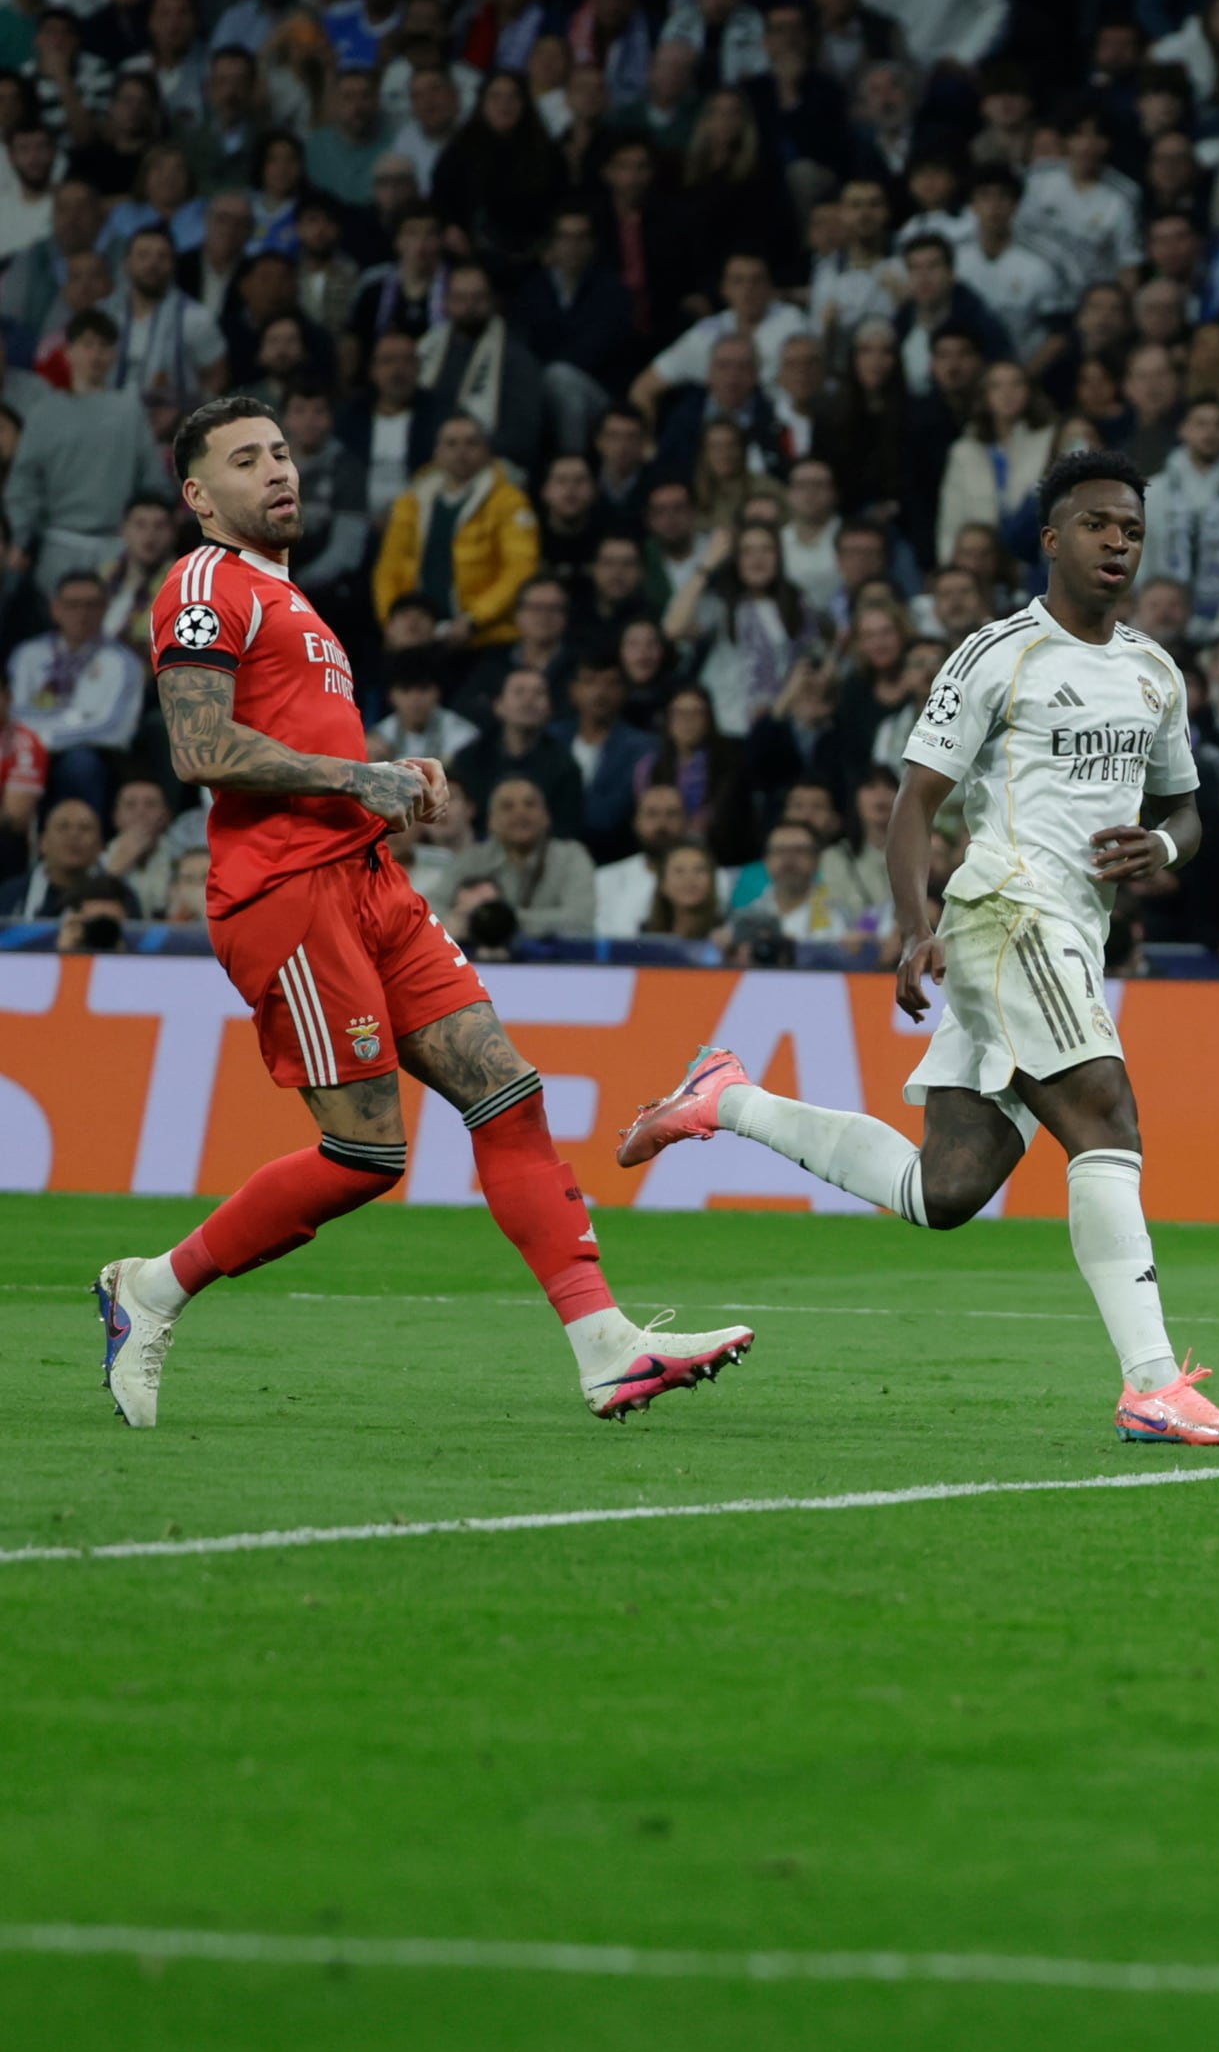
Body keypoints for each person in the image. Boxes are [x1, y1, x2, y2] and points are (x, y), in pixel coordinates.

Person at [94, 396, 751, 1428]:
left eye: (281, 452)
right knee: (365, 1155)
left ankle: (605, 1346)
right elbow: (199, 749)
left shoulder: (291, 597)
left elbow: (308, 749)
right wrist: (361, 777)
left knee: (509, 1093)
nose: (278, 471)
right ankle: (153, 1286)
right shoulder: (200, 581)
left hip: (369, 885)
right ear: (198, 495)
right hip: (287, 895)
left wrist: (389, 774)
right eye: (246, 460)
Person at [616, 449, 1219, 1450]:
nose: (1118, 543)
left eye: (1131, 529)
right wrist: (914, 923)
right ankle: (1150, 1383)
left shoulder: (1152, 671)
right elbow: (916, 801)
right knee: (1106, 1118)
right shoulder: (998, 652)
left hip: (1074, 936)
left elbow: (1187, 806)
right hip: (1006, 910)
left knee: (944, 1190)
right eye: (1097, 524)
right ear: (1052, 539)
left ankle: (725, 1094)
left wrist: (1163, 842)